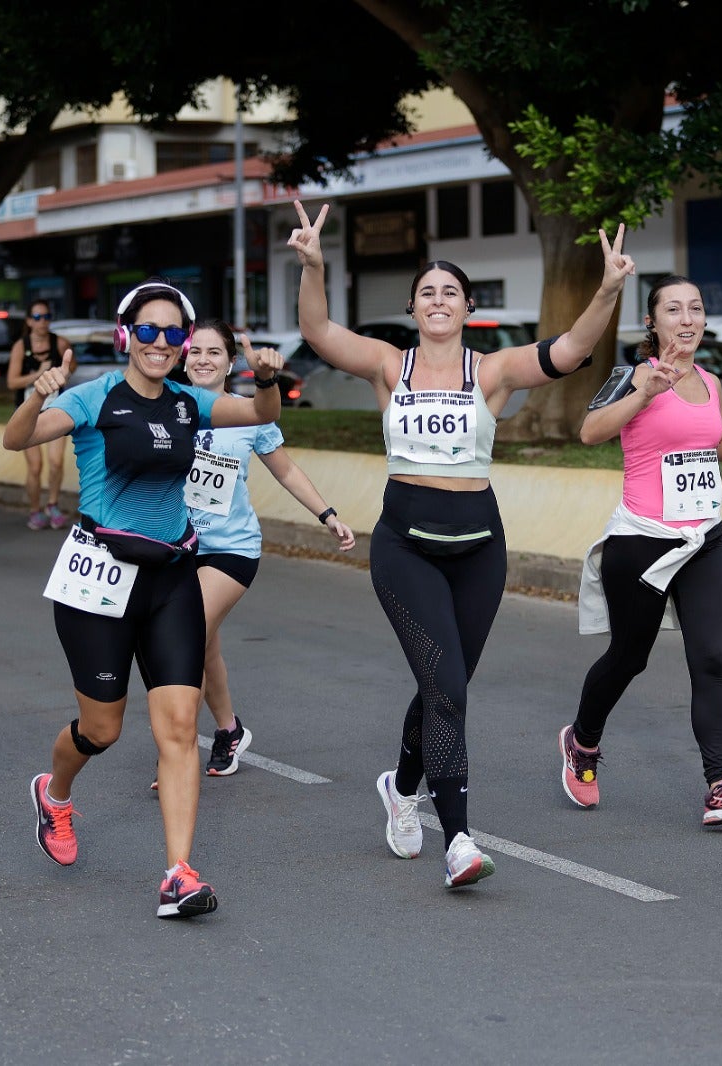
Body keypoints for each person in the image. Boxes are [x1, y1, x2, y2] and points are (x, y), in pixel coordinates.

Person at [287, 198, 634, 889]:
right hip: (404, 547)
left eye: (451, 292)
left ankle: (403, 784)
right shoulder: (390, 364)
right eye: (427, 292)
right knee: (446, 688)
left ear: (468, 307)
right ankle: (460, 843)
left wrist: (607, 290)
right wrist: (315, 266)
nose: (438, 300)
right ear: (414, 308)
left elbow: (571, 352)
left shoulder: (493, 370)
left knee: (444, 686)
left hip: (480, 547)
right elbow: (319, 328)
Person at [3, 280, 283, 919]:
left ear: (185, 343)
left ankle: (178, 873)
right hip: (98, 577)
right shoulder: (95, 396)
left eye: (172, 333)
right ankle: (56, 792)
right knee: (103, 727)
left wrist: (266, 379)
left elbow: (260, 416)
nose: (161, 343)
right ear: (126, 336)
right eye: (148, 331)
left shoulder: (189, 401)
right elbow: (17, 441)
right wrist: (33, 397)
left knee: (180, 729)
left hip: (172, 577)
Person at [559, 274, 722, 827]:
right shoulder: (633, 376)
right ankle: (583, 741)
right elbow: (590, 432)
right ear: (653, 322)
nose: (687, 319)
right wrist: (646, 391)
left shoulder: (712, 382)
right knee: (629, 657)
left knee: (711, 660)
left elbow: (711, 449)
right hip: (641, 539)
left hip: (704, 539)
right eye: (674, 309)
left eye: (695, 307)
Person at [154, 319, 354, 785]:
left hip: (230, 550)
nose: (203, 359)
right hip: (176, 549)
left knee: (184, 633)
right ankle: (229, 729)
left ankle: (175, 752)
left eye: (214, 352)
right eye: (195, 351)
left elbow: (286, 471)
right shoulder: (166, 409)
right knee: (204, 645)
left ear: (230, 361)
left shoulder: (248, 413)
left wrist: (327, 514)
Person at [5, 299, 74, 531]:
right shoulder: (20, 346)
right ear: (28, 321)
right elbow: (12, 381)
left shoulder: (60, 343)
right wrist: (38, 375)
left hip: (55, 410)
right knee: (35, 466)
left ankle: (52, 505)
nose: (42, 322)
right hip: (29, 414)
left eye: (46, 317)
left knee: (56, 462)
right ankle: (35, 510)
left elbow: (70, 366)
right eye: (37, 317)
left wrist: (62, 374)